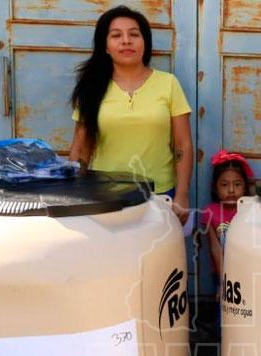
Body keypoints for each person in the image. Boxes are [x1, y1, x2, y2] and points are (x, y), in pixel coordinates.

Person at [69, 5, 193, 221]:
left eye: (134, 34)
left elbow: (182, 144)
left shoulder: (168, 83)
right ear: (105, 46)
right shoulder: (92, 87)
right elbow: (81, 147)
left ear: (145, 42)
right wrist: (74, 194)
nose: (126, 41)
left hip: (160, 194)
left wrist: (182, 195)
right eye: (116, 35)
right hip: (104, 195)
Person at [200, 150, 252, 282]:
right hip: (221, 272)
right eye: (224, 185)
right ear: (215, 188)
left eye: (237, 184)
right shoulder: (210, 212)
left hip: (247, 273)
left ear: (245, 187)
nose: (231, 190)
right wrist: (224, 280)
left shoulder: (250, 211)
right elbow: (215, 248)